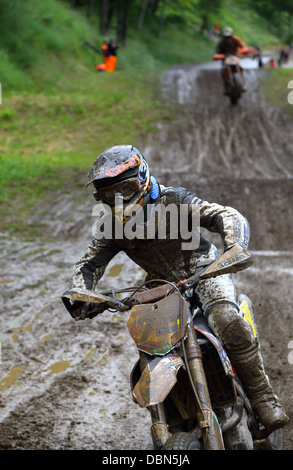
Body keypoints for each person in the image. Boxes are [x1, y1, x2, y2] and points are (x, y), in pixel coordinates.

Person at [62, 145, 289, 435]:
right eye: (108, 195)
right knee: (149, 345)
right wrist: (82, 295)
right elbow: (87, 265)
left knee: (228, 322)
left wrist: (235, 246)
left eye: (125, 188)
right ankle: (174, 417)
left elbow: (224, 214)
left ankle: (263, 398)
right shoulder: (110, 226)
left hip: (204, 271)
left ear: (142, 177)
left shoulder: (175, 200)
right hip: (160, 286)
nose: (119, 199)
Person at [216, 26, 246, 93]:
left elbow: (242, 46)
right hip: (225, 59)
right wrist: (219, 55)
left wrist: (243, 50)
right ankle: (226, 86)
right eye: (226, 37)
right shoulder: (221, 42)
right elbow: (217, 51)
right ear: (224, 36)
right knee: (224, 71)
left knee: (240, 68)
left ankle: (242, 84)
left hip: (234, 58)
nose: (228, 38)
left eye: (229, 36)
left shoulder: (235, 40)